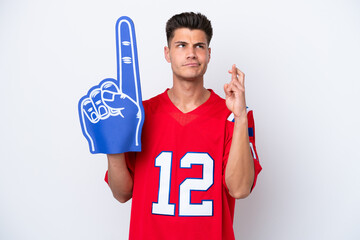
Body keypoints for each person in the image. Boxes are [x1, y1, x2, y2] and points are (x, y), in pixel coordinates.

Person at [105, 12, 262, 240]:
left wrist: (240, 116)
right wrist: (112, 144)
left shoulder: (233, 116)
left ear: (208, 54)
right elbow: (121, 193)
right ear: (167, 53)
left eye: (199, 46)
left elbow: (239, 189)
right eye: (181, 45)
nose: (191, 53)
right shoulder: (140, 114)